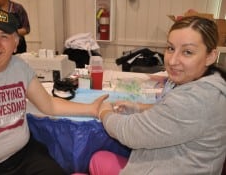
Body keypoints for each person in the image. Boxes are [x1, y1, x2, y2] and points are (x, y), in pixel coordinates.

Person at [0, 9, 108, 175]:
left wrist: (91, 108)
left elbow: (49, 104)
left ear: (15, 43)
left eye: (4, 36)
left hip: (23, 159)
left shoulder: (20, 67)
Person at [86, 16, 226, 175]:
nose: (172, 61)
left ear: (210, 56)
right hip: (170, 164)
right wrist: (138, 108)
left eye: (187, 52)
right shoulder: (208, 83)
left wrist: (104, 111)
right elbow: (170, 112)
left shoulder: (197, 100)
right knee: (98, 159)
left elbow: (129, 133)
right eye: (171, 48)